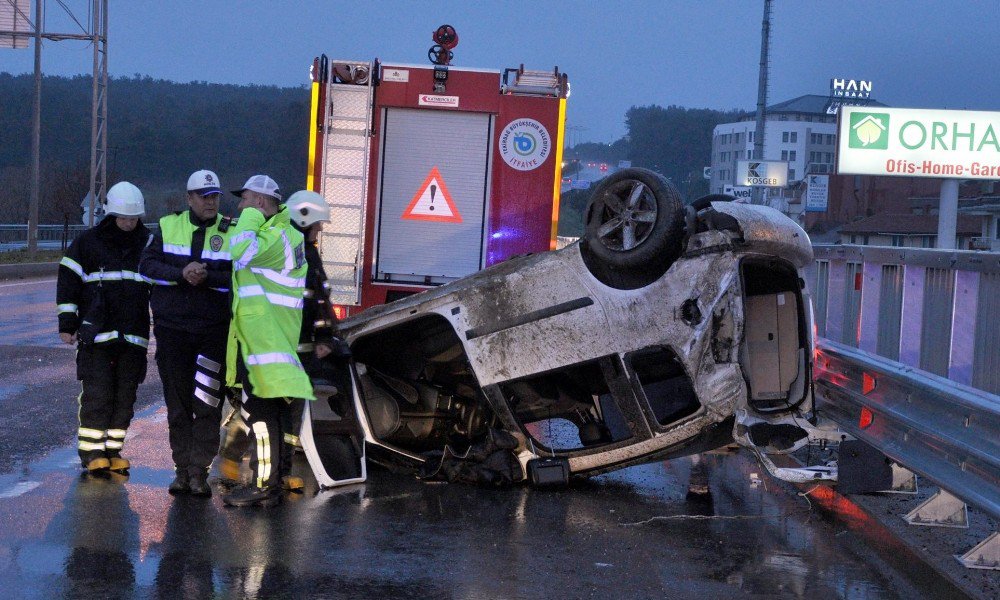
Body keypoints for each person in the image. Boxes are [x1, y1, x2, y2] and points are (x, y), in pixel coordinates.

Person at [217, 190, 339, 492]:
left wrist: (324, 335)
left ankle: (280, 473)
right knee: (259, 413)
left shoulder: (304, 251)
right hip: (278, 346)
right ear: (304, 219)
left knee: (287, 416)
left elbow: (319, 296)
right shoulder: (278, 245)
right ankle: (234, 461)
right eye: (317, 223)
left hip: (297, 348)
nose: (320, 230)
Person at [139, 170, 234, 497]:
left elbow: (240, 275)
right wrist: (182, 274)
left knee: (207, 403)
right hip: (173, 332)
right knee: (178, 405)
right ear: (189, 198)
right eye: (204, 196)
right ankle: (181, 470)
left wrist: (206, 277)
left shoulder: (231, 229)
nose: (211, 202)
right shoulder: (168, 226)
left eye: (215, 196)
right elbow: (146, 267)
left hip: (212, 334)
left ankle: (199, 472)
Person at [57, 181, 152, 473]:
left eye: (133, 218)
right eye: (123, 217)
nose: (128, 223)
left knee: (126, 395)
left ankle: (112, 450)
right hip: (96, 335)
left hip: (133, 336)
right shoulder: (88, 243)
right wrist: (67, 323)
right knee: (98, 393)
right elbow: (68, 283)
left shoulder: (149, 243)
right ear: (111, 214)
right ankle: (92, 452)